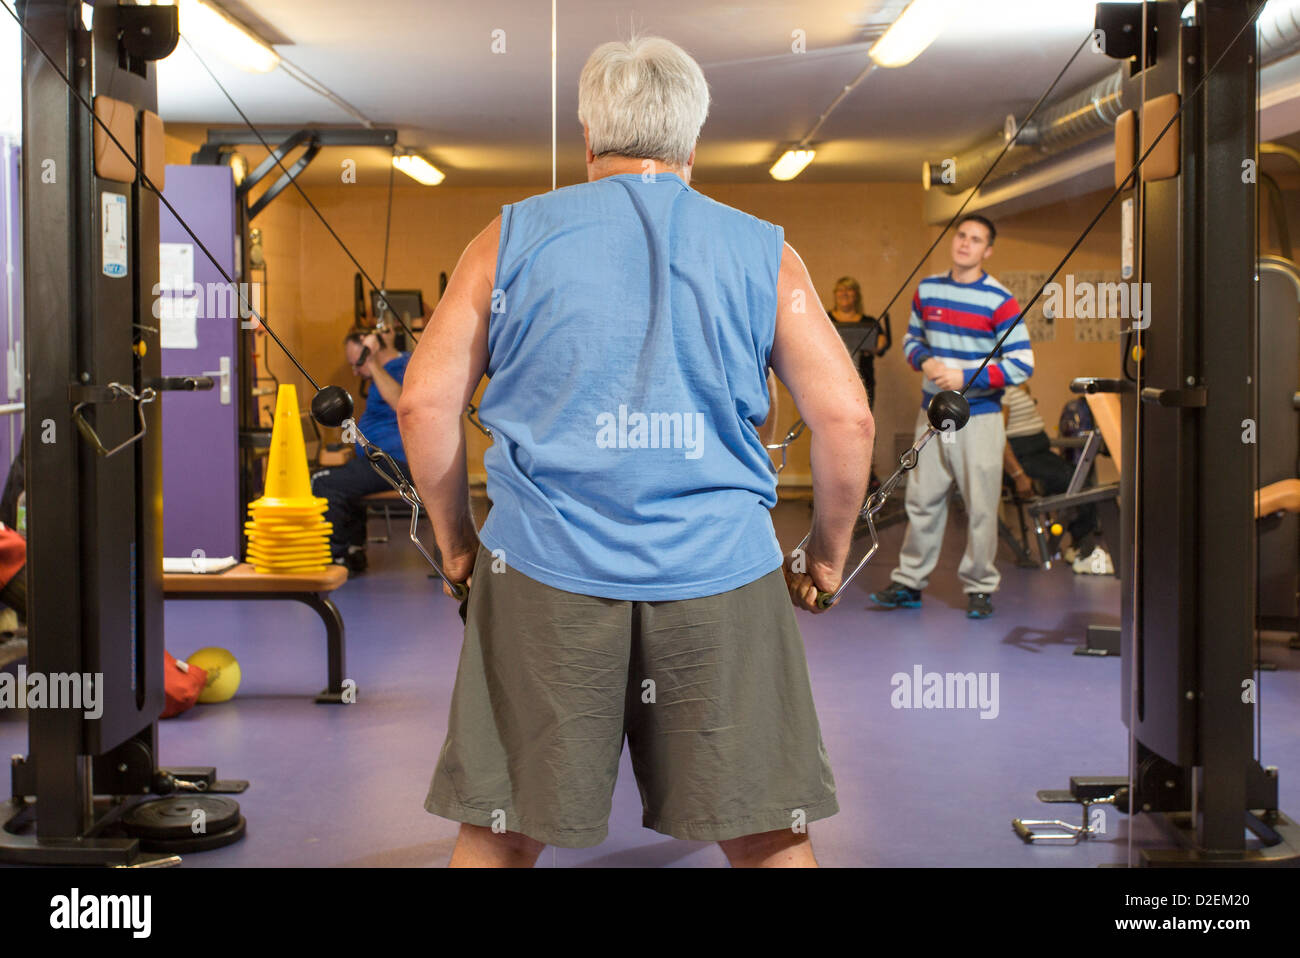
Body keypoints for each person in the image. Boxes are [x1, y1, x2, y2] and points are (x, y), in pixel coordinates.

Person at [397, 35, 873, 868]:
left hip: (542, 571)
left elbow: (424, 402)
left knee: (501, 827)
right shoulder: (766, 252)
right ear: (693, 144)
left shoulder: (505, 241)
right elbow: (848, 422)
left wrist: (457, 546)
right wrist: (826, 560)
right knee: (768, 828)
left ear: (588, 140)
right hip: (722, 571)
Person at [871, 214, 1034, 619]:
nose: (965, 244)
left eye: (976, 239)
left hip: (979, 417)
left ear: (987, 250)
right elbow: (911, 340)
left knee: (981, 507)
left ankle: (980, 586)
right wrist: (925, 363)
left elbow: (1022, 364)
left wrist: (965, 375)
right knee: (921, 500)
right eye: (961, 235)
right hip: (932, 414)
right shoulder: (928, 290)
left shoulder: (1000, 300)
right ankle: (909, 582)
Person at [309, 327, 411, 574]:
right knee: (344, 483)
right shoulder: (383, 374)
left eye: (358, 363)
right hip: (380, 460)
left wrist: (372, 361)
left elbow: (401, 403)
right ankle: (354, 552)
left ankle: (337, 558)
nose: (355, 371)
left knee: (324, 482)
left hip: (395, 462)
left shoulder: (402, 367)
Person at [1002, 383, 1113, 574]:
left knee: (1082, 480)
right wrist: (1019, 475)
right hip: (1023, 457)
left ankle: (1078, 547)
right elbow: (999, 437)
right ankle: (1084, 554)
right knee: (1078, 484)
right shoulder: (1000, 389)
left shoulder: (1015, 382)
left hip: (1039, 452)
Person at [827, 276, 891, 491]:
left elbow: (881, 344)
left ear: (857, 296)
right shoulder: (824, 319)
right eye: (841, 290)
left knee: (862, 428)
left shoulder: (870, 322)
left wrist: (872, 343)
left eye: (850, 290)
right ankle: (832, 476)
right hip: (831, 386)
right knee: (831, 429)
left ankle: (862, 477)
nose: (845, 294)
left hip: (862, 385)